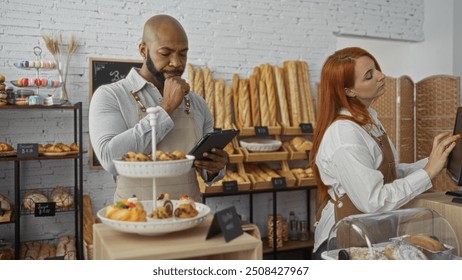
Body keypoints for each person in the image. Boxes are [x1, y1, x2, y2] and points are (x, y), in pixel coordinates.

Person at [309, 47, 460, 259]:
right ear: (349, 91)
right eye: (369, 75)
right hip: (343, 241)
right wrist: (427, 173)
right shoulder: (345, 134)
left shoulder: (368, 121)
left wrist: (436, 160)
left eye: (376, 69)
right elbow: (374, 200)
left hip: (371, 232)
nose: (381, 76)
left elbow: (390, 173)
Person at [89, 14, 228, 203]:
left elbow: (206, 172)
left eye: (183, 54)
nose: (177, 62)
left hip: (189, 216)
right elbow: (110, 159)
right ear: (143, 50)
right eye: (165, 53)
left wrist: (214, 168)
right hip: (135, 219)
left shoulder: (198, 103)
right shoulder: (110, 95)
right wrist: (166, 107)